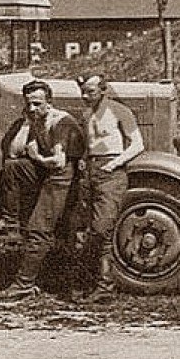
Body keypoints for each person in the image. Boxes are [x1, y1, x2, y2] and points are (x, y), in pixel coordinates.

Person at [0, 79, 85, 298]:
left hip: (64, 177)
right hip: (48, 172)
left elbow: (58, 162)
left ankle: (25, 284)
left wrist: (36, 156)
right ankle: (10, 219)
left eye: (37, 104)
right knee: (13, 167)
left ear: (50, 102)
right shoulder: (36, 120)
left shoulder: (61, 122)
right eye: (28, 104)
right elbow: (14, 152)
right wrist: (28, 124)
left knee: (39, 229)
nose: (32, 108)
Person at [77, 74, 145, 302]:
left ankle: (105, 287)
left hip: (111, 173)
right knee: (91, 231)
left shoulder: (119, 111)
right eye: (83, 92)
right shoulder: (86, 114)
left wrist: (115, 164)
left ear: (103, 91)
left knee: (102, 229)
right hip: (91, 173)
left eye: (91, 92)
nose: (85, 96)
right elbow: (89, 145)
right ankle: (96, 285)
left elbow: (137, 144)